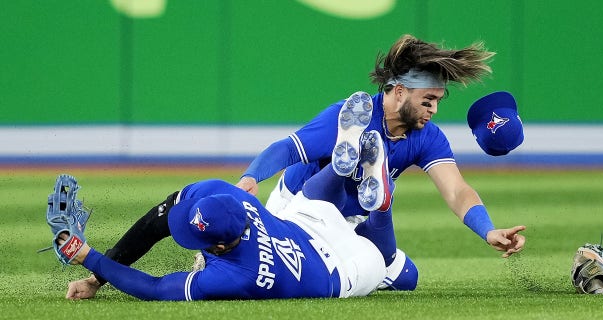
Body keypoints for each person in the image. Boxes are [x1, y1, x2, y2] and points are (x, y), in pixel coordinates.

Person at [235, 34, 526, 279]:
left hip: (347, 220)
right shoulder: (349, 114)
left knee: (406, 277)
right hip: (297, 208)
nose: (434, 109)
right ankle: (344, 169)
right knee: (292, 273)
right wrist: (252, 175)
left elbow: (457, 190)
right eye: (428, 100)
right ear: (399, 92)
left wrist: (488, 230)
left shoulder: (427, 136)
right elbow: (288, 148)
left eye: (438, 101)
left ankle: (367, 199)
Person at [61, 131, 397, 301]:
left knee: (381, 260)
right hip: (306, 229)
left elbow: (155, 288)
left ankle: (380, 203)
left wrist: (89, 258)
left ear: (220, 247)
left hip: (343, 271)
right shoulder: (230, 196)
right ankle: (344, 170)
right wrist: (94, 273)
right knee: (308, 203)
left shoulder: (236, 276)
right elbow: (158, 222)